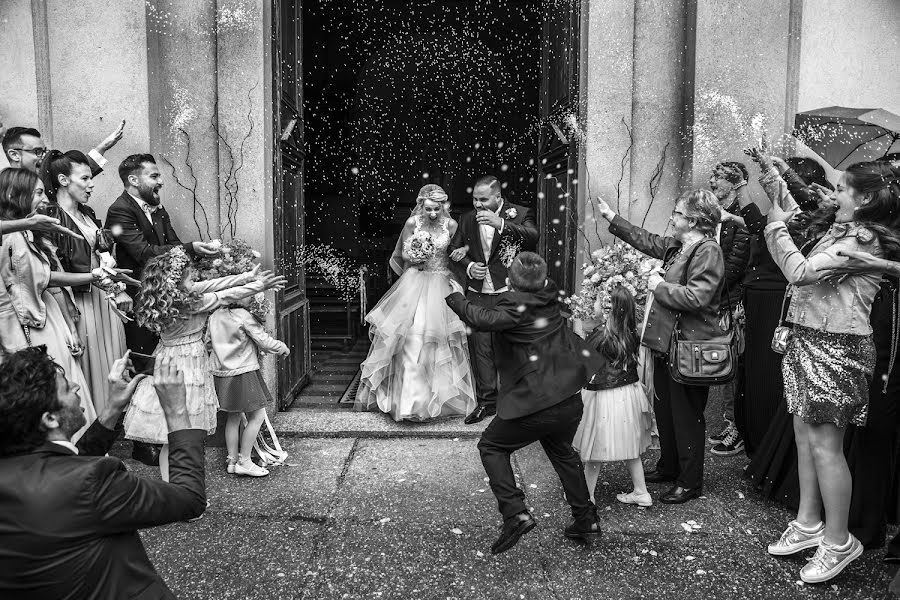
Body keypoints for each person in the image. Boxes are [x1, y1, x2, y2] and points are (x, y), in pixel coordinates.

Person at [764, 161, 900, 584]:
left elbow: (801, 272)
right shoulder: (845, 228)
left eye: (841, 189)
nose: (832, 194)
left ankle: (840, 542)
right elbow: (797, 208)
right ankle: (808, 524)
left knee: (825, 445)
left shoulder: (863, 237)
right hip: (808, 339)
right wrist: (775, 186)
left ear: (864, 199)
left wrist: (774, 226)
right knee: (805, 438)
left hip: (836, 348)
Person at [0, 347, 207, 600]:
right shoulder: (92, 483)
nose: (77, 387)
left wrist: (112, 408)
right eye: (66, 387)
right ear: (50, 419)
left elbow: (64, 471)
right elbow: (189, 499)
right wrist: (176, 410)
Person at [445, 252, 603, 554]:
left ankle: (515, 513)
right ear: (542, 279)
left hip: (537, 399)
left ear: (510, 281)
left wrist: (456, 296)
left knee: (491, 446)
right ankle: (587, 521)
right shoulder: (549, 293)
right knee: (563, 454)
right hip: (567, 395)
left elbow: (482, 319)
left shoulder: (514, 305)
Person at [595, 190, 725, 504]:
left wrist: (659, 286)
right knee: (665, 411)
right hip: (668, 345)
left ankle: (689, 480)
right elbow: (648, 240)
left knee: (687, 415)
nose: (672, 217)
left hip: (690, 349)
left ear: (693, 220)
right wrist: (613, 219)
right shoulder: (681, 247)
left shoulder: (708, 251)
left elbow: (697, 298)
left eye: (678, 213)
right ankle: (668, 466)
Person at [124, 247, 286, 483]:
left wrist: (246, 277)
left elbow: (214, 285)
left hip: (167, 359)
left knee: (171, 434)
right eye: (191, 278)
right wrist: (258, 286)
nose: (196, 281)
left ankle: (173, 487)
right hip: (187, 365)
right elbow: (223, 297)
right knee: (183, 432)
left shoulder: (170, 297)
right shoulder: (189, 304)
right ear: (179, 282)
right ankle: (181, 491)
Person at [106, 153, 218, 466]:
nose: (160, 181)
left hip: (166, 299)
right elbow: (144, 254)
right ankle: (143, 443)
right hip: (142, 301)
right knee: (145, 366)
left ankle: (165, 434)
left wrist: (196, 260)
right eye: (154, 175)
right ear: (134, 180)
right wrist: (191, 249)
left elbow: (172, 246)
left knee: (162, 368)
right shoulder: (119, 210)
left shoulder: (159, 209)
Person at [355, 184, 476, 421]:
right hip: (416, 284)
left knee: (439, 341)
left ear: (444, 207)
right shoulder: (413, 224)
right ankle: (408, 402)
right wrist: (416, 256)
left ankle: (442, 399)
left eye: (438, 209)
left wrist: (461, 255)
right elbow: (402, 255)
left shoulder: (451, 225)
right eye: (429, 209)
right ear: (421, 205)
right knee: (410, 338)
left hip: (442, 284)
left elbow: (462, 250)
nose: (433, 214)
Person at [40, 150, 132, 416]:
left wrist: (117, 286)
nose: (92, 184)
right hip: (79, 299)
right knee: (89, 364)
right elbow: (52, 268)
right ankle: (92, 423)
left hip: (104, 299)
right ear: (63, 180)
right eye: (85, 178)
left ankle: (112, 423)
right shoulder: (51, 217)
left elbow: (102, 253)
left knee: (112, 361)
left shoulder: (87, 212)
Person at [573, 285, 655, 507]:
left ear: (608, 308)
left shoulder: (599, 336)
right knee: (630, 447)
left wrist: (579, 335)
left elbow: (582, 363)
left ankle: (586, 496)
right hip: (628, 395)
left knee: (593, 448)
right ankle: (641, 491)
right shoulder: (630, 333)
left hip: (604, 398)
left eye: (598, 301)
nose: (595, 305)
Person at [208, 293, 290, 477]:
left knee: (233, 417)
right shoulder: (243, 316)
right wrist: (281, 347)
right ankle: (245, 460)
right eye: (249, 295)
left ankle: (232, 460)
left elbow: (207, 343)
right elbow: (263, 341)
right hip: (242, 372)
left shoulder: (214, 315)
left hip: (220, 374)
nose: (252, 299)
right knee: (257, 416)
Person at [707, 162, 752, 456]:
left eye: (718, 178)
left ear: (736, 184)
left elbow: (735, 266)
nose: (711, 181)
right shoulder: (716, 215)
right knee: (724, 366)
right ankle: (729, 422)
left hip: (732, 302)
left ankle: (738, 430)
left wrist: (700, 281)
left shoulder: (743, 217)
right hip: (720, 299)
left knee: (732, 368)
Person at [0, 215, 80, 355]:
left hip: (49, 311)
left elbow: (53, 286)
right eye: (39, 192)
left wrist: (71, 328)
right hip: (29, 318)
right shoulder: (11, 238)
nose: (45, 199)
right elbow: (47, 279)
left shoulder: (33, 233)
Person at [1, 122, 125, 174]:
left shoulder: (47, 176)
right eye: (37, 152)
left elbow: (77, 172)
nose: (44, 156)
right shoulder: (4, 190)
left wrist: (104, 146)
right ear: (14, 155)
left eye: (45, 151)